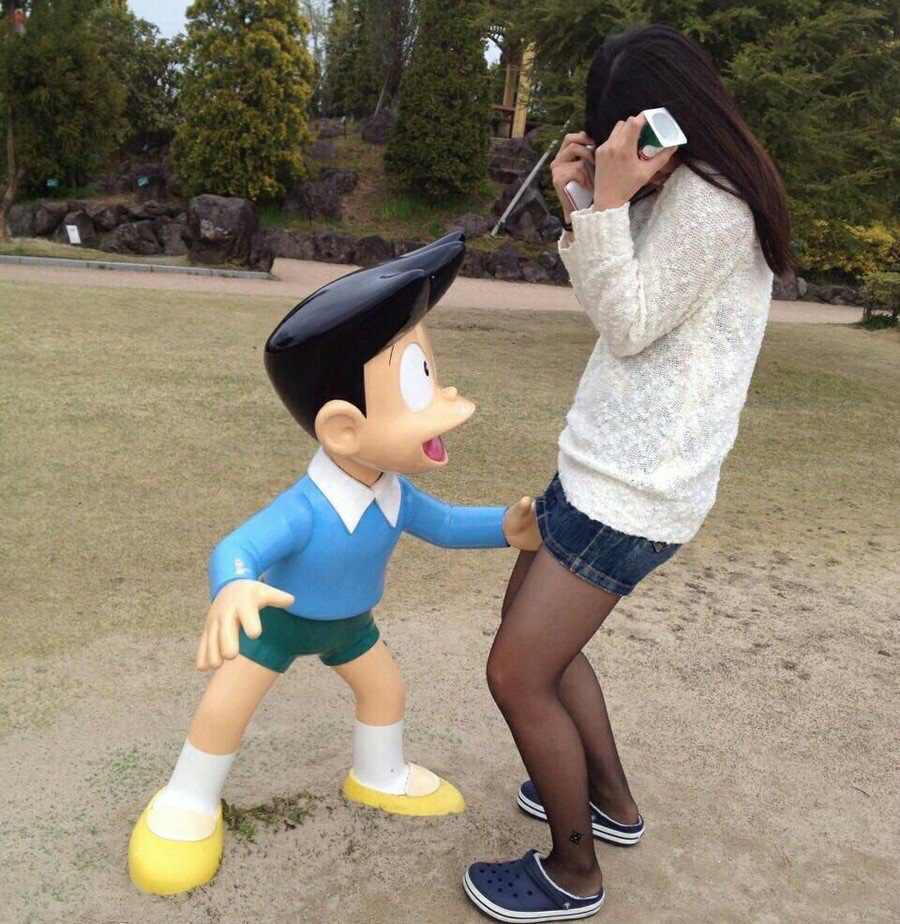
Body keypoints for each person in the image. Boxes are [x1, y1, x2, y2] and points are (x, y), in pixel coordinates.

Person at [463, 25, 791, 922]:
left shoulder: (714, 207)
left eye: (629, 128)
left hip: (635, 492)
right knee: (536, 648)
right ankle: (609, 802)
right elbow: (618, 305)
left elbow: (628, 322)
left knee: (516, 673)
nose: (625, 145)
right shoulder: (677, 190)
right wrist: (586, 201)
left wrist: (605, 203)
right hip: (602, 466)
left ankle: (574, 873)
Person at [128, 235, 541, 895]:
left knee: (385, 690)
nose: (442, 402)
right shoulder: (306, 509)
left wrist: (504, 528)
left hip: (352, 625)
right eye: (414, 387)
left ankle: (377, 774)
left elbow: (444, 525)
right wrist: (234, 587)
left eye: (426, 375)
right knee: (227, 706)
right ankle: (187, 799)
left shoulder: (395, 493)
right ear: (345, 429)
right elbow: (238, 548)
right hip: (281, 624)